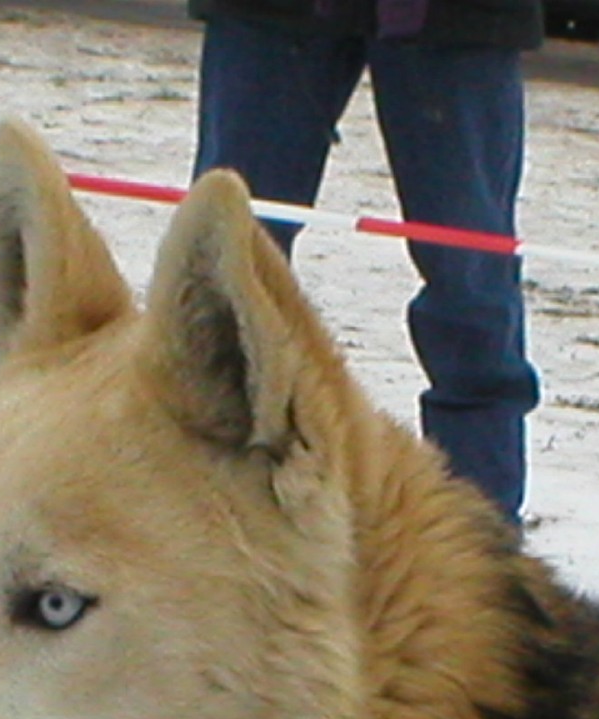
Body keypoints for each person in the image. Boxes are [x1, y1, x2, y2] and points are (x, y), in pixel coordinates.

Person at [188, 0, 544, 524]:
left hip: (457, 21)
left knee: (470, 285)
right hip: (270, 19)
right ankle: (201, 508)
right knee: (225, 268)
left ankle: (482, 540)